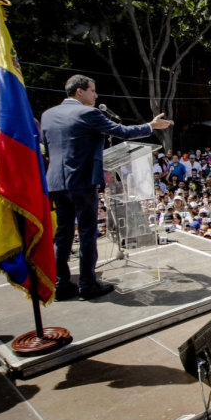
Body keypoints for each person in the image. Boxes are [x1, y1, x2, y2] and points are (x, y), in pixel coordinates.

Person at [41, 74, 172, 300]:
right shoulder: (88, 113)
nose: (96, 95)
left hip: (56, 182)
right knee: (87, 233)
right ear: (79, 92)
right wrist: (150, 126)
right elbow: (121, 132)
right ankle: (87, 284)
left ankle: (60, 285)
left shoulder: (48, 115)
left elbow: (49, 146)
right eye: (92, 90)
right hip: (82, 181)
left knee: (62, 235)